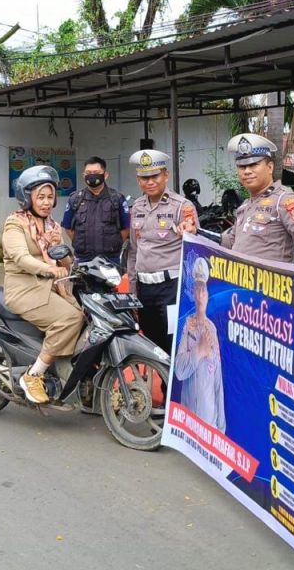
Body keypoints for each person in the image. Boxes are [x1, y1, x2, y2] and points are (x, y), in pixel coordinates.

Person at [2, 165, 85, 404]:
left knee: (85, 315)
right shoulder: (14, 224)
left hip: (51, 288)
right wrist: (49, 268)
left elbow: (67, 263)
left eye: (50, 197)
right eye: (41, 197)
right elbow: (21, 258)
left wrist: (63, 252)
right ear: (27, 198)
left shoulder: (53, 226)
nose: (47, 202)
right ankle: (34, 374)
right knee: (71, 318)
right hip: (24, 289)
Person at [126, 149, 199, 353]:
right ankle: (161, 385)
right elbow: (134, 250)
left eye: (155, 176)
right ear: (138, 180)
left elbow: (194, 248)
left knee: (174, 343)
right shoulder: (137, 207)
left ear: (165, 175)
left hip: (172, 289)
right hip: (145, 289)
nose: (149, 182)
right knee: (152, 344)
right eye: (144, 177)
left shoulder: (182, 207)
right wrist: (132, 290)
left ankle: (173, 385)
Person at [220, 133, 294, 265]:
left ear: (270, 167)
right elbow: (231, 241)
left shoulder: (284, 200)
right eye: (242, 167)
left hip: (271, 284)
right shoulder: (245, 206)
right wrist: (197, 233)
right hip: (241, 283)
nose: (247, 171)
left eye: (253, 165)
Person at [174, 257, 225, 431]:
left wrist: (221, 428)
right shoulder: (187, 325)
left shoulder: (212, 329)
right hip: (189, 417)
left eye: (203, 290)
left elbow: (218, 382)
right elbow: (180, 371)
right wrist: (199, 351)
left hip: (209, 419)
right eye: (197, 289)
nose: (200, 295)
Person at [60, 156, 130, 263]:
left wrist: (114, 244)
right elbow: (68, 227)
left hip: (110, 259)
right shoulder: (75, 199)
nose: (92, 176)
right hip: (83, 259)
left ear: (105, 175)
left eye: (96, 172)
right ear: (83, 175)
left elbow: (126, 227)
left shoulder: (117, 198)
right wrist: (80, 244)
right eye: (88, 173)